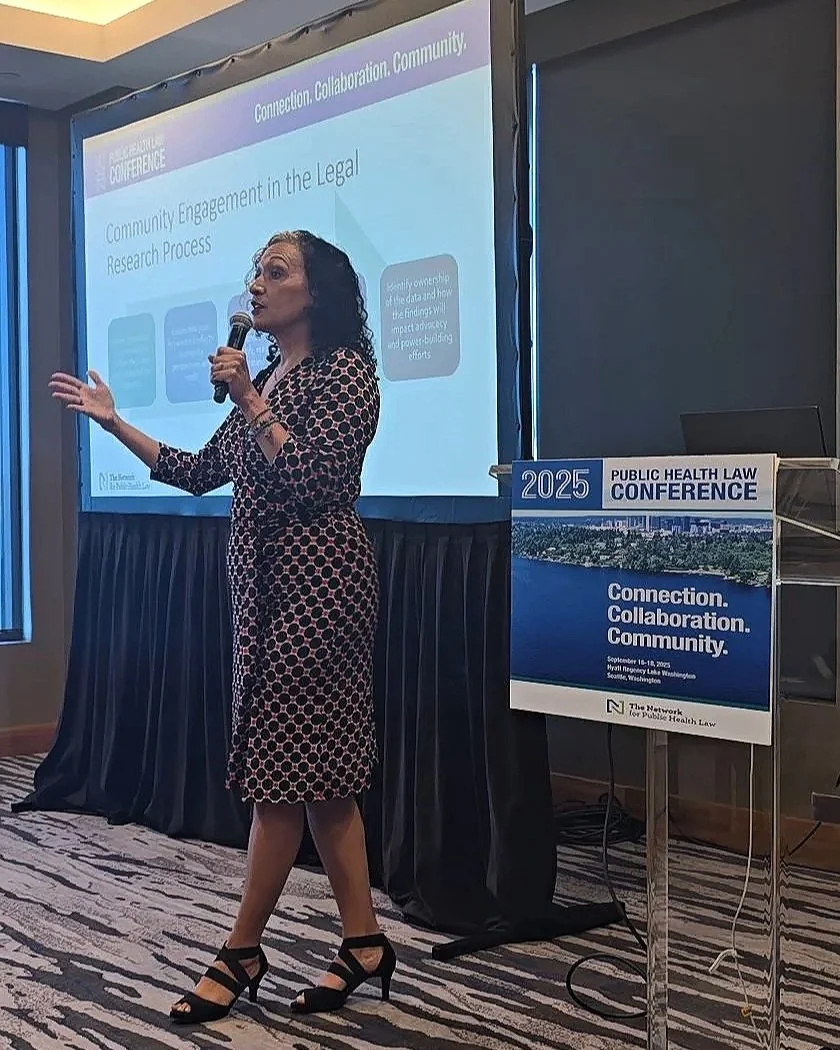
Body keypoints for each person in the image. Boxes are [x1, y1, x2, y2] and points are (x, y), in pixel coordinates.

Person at [49, 231, 395, 1024]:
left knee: (280, 780)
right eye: (256, 272)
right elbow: (198, 472)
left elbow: (313, 481)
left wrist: (248, 399)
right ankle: (365, 943)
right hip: (264, 597)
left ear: (320, 292)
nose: (257, 285)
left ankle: (241, 951)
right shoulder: (271, 374)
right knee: (325, 784)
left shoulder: (345, 373)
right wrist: (112, 423)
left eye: (276, 272)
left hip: (320, 594)